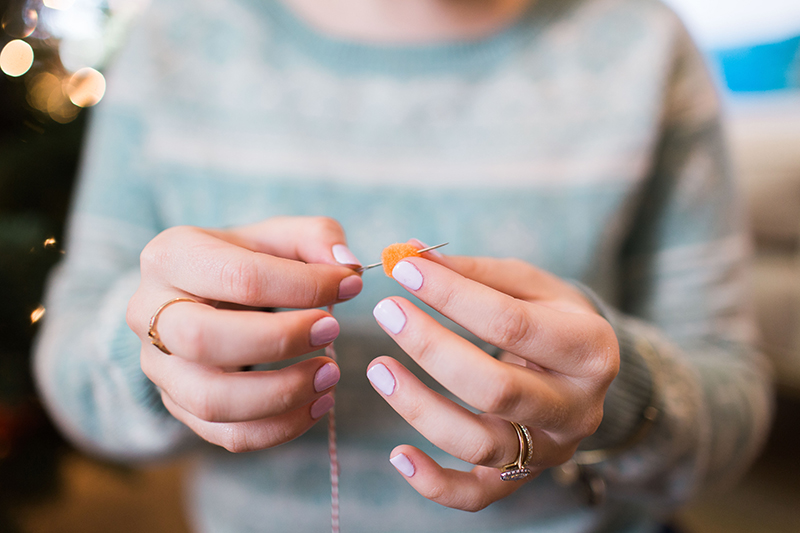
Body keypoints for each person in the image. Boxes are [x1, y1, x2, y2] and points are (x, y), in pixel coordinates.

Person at [33, 0, 773, 531]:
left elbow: (733, 407)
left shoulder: (643, 41)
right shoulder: (172, 39)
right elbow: (70, 372)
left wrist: (616, 389)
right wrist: (155, 351)